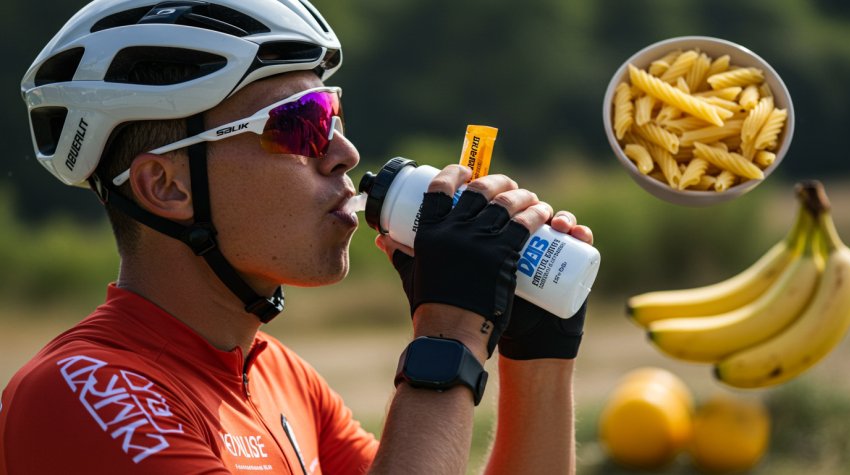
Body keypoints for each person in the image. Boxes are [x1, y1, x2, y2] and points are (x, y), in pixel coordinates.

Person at [0, 0, 594, 473]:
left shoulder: (281, 378)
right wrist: (449, 335)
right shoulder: (85, 395)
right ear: (167, 186)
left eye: (332, 116)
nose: (344, 153)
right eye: (299, 125)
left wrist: (536, 357)